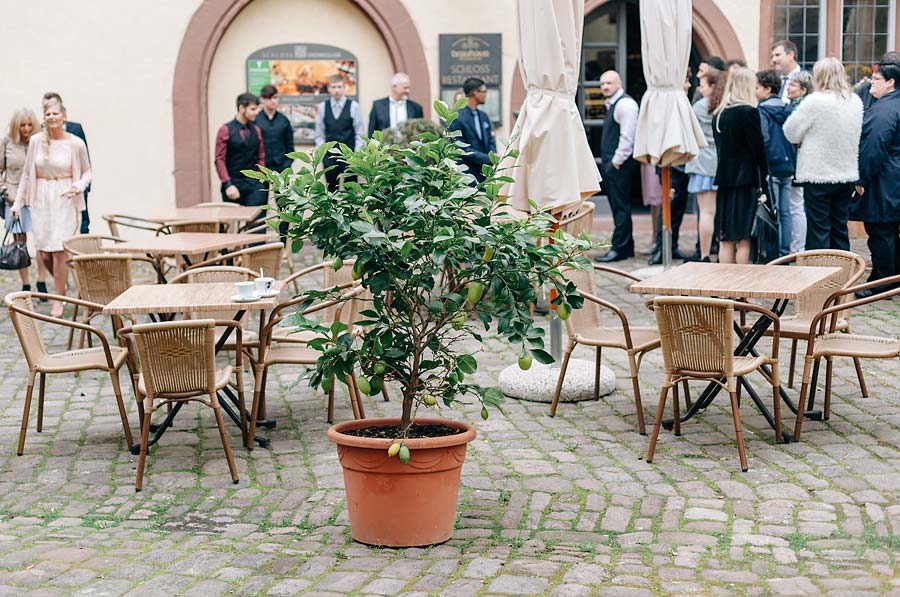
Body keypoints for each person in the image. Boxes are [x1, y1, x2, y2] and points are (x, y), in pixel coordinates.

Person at [11, 100, 90, 318]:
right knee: (44, 251)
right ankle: (61, 286)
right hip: (41, 199)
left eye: (55, 113)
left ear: (64, 116)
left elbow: (87, 172)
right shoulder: (36, 141)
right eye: (47, 114)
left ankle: (58, 299)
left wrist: (78, 185)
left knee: (59, 250)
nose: (51, 117)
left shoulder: (75, 144)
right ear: (44, 118)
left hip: (65, 198)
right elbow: (27, 174)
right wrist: (19, 203)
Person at [784, 57, 863, 251]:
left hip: (817, 173)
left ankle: (820, 274)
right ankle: (843, 273)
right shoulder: (854, 101)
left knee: (818, 229)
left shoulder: (815, 101)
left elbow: (790, 132)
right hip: (846, 172)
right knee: (840, 228)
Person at [853, 61, 900, 298]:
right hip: (891, 178)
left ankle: (882, 283)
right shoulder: (891, 106)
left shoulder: (885, 109)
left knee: (881, 231)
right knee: (888, 231)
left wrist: (861, 178)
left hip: (886, 180)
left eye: (876, 79)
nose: (871, 82)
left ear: (890, 82)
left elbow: (873, 147)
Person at [712, 67, 768, 265]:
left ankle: (725, 288)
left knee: (726, 238)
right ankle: (741, 293)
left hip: (725, 181)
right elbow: (758, 150)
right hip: (746, 181)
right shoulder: (748, 113)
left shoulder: (719, 115)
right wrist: (765, 174)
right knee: (744, 238)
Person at [595, 70, 639, 263]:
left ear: (619, 84)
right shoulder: (614, 104)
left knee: (621, 207)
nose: (605, 86)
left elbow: (628, 137)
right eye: (602, 83)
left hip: (620, 165)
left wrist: (615, 162)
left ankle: (620, 248)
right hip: (615, 164)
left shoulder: (625, 104)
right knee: (618, 206)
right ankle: (626, 247)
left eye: (609, 83)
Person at [756, 69, 797, 257]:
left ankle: (773, 254)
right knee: (786, 211)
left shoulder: (762, 110)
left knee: (773, 210)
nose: (755, 91)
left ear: (767, 89)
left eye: (757, 88)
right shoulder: (788, 109)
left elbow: (763, 139)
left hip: (771, 166)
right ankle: (784, 252)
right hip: (788, 166)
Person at [685, 70, 723, 263]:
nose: (699, 87)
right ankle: (720, 252)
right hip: (720, 165)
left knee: (706, 213)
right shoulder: (725, 106)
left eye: (703, 84)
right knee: (720, 213)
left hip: (702, 166)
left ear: (712, 86)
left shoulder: (699, 107)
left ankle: (705, 253)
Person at [42, 92, 91, 234]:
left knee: (81, 223)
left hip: (75, 186)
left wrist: (84, 186)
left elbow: (85, 160)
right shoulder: (39, 134)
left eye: (53, 110)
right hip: (52, 189)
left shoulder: (75, 129)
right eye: (46, 109)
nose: (51, 116)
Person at [1, 108, 39, 291]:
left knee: (42, 240)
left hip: (36, 198)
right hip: (14, 198)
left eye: (29, 125)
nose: (26, 128)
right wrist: (5, 191)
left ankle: (42, 280)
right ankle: (26, 284)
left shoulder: (39, 142)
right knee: (20, 242)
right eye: (22, 125)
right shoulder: (6, 142)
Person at [314, 74, 365, 191]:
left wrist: (356, 155)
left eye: (339, 87)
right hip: (330, 157)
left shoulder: (353, 106)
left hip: (349, 156)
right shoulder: (322, 107)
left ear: (344, 87)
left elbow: (360, 133)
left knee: (351, 192)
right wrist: (322, 153)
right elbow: (319, 133)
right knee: (331, 192)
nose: (336, 90)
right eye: (334, 87)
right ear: (328, 88)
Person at [214, 93, 266, 206]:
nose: (257, 112)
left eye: (257, 109)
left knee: (257, 221)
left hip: (254, 184)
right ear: (242, 108)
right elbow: (219, 160)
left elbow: (261, 156)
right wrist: (228, 184)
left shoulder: (256, 130)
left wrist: (261, 180)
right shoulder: (225, 130)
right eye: (253, 109)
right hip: (233, 183)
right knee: (231, 222)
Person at [447, 77, 496, 184]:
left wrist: (493, 157)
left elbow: (491, 141)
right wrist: (487, 159)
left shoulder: (483, 116)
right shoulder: (456, 117)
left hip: (485, 176)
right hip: (467, 176)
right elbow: (460, 148)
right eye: (484, 91)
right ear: (475, 93)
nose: (485, 94)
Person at [367, 72, 424, 137]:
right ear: (394, 86)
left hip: (408, 146)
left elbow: (420, 134)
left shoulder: (416, 108)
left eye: (408, 88)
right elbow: (371, 133)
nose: (408, 91)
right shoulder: (377, 106)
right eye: (405, 88)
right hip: (384, 146)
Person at [255, 85, 293, 173]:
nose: (273, 101)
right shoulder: (256, 120)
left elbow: (290, 145)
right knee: (261, 188)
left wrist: (287, 164)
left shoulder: (284, 120)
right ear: (263, 99)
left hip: (282, 166)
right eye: (269, 98)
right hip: (262, 168)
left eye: (275, 97)